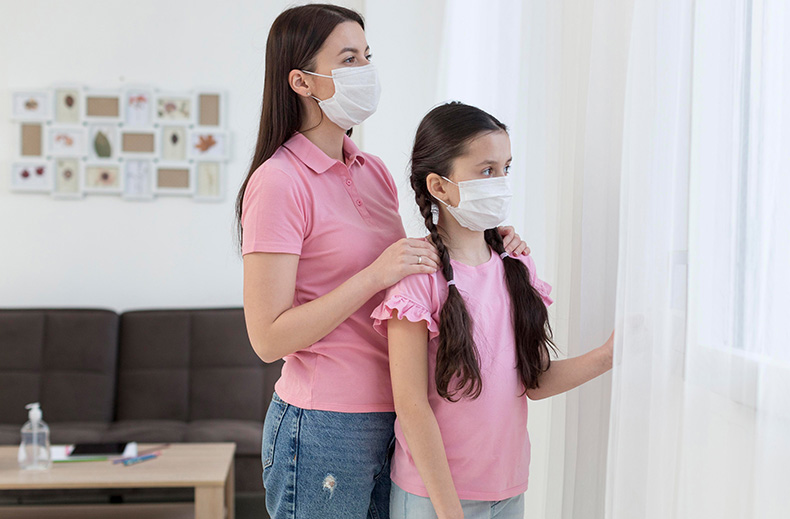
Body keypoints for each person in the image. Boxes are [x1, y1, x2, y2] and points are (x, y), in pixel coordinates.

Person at [236, 6, 529, 518]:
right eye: (348, 59)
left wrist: (487, 236)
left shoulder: (372, 172)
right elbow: (267, 339)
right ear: (302, 81)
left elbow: (411, 269)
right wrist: (371, 276)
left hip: (394, 416)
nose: (366, 71)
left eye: (367, 56)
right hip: (324, 422)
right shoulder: (279, 182)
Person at [372, 102, 614, 519]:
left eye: (506, 168)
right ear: (440, 186)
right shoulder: (419, 278)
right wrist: (450, 511)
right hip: (434, 501)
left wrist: (608, 355)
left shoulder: (517, 267)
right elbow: (411, 406)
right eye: (486, 171)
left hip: (508, 492)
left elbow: (533, 380)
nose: (501, 182)